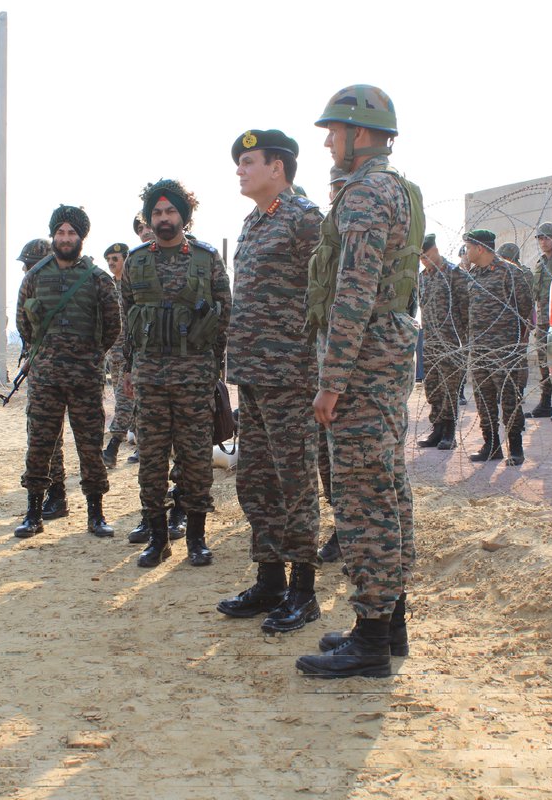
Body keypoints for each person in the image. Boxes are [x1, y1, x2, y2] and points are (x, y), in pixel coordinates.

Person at [295, 85, 422, 679]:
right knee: (387, 487)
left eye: (334, 131)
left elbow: (353, 292)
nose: (326, 141)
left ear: (362, 135)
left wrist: (331, 381)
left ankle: (372, 638)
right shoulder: (388, 188)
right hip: (380, 357)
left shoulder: (367, 193)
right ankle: (387, 622)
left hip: (362, 362)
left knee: (363, 496)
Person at [215, 129, 324, 633]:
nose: (240, 168)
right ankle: (269, 579)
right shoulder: (254, 222)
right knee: (256, 479)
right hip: (254, 376)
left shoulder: (304, 219)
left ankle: (304, 589)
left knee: (294, 481)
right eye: (239, 161)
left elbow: (327, 292)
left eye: (249, 160)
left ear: (277, 168)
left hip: (291, 376)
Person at [121, 179, 231, 568]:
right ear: (149, 218)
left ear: (184, 216)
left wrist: (214, 369)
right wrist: (128, 370)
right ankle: (157, 537)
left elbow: (224, 314)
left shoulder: (206, 258)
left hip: (194, 376)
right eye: (156, 213)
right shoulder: (135, 262)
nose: (163, 219)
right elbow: (127, 319)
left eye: (170, 212)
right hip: (150, 377)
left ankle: (197, 538)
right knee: (151, 459)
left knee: (195, 458)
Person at [14, 205, 120, 540]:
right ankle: (34, 512)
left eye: (71, 233)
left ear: (81, 237)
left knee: (90, 447)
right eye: (60, 232)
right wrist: (45, 355)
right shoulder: (35, 277)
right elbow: (23, 324)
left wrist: (89, 356)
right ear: (52, 235)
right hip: (45, 380)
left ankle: (96, 513)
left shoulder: (98, 279)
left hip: (85, 380)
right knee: (40, 446)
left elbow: (113, 326)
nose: (65, 238)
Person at [465, 229, 533, 466]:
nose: (466, 252)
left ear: (479, 248)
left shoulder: (510, 273)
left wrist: (512, 339)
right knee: (484, 398)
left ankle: (515, 447)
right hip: (479, 347)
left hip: (504, 349)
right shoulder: (473, 274)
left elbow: (525, 307)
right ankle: (491, 445)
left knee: (509, 398)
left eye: (468, 247)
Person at [15, 237, 68, 518]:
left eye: (33, 266)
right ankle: (54, 493)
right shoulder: (32, 288)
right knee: (43, 438)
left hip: (63, 375)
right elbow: (24, 328)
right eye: (27, 267)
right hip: (41, 372)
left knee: (51, 439)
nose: (29, 272)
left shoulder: (64, 290)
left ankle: (58, 496)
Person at [316, 166, 348, 565]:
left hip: (344, 371)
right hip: (315, 363)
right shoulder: (325, 242)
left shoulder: (359, 239)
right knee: (325, 458)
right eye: (335, 189)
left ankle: (347, 533)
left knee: (346, 462)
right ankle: (339, 528)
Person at [416, 233, 470, 451]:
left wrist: (465, 341)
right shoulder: (422, 277)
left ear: (436, 250)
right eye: (421, 258)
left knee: (450, 387)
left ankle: (449, 432)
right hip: (429, 340)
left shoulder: (454, 274)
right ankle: (436, 429)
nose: (425, 261)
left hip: (451, 340)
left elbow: (466, 308)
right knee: (433, 386)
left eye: (427, 256)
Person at [525, 222, 552, 421]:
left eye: (546, 238)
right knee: (543, 361)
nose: (542, 241)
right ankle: (546, 403)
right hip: (542, 320)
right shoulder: (540, 262)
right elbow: (534, 293)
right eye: (540, 238)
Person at [101, 242, 133, 468]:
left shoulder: (134, 286)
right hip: (114, 353)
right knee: (129, 400)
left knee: (124, 399)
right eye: (109, 260)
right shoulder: (108, 288)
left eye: (115, 258)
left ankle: (113, 446)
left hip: (132, 353)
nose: (112, 263)